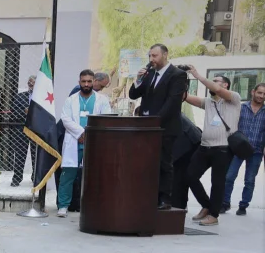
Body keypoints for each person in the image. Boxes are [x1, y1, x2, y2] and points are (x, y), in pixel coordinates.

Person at [128, 44, 189, 208]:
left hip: (165, 128)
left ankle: (164, 198)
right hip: (147, 128)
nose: (151, 59)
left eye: (154, 56)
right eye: (150, 56)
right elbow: (133, 95)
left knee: (164, 163)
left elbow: (172, 103)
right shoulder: (149, 74)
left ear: (165, 55)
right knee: (146, 162)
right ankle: (148, 195)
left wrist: (155, 122)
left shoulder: (177, 74)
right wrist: (138, 79)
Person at [182, 66, 241, 226]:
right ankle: (207, 205)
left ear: (225, 85)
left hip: (223, 149)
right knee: (190, 176)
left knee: (217, 183)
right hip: (204, 147)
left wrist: (198, 75)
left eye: (216, 80)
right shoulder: (208, 102)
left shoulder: (234, 98)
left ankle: (214, 215)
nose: (213, 83)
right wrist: (179, 78)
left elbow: (217, 89)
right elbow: (185, 97)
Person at [57, 69, 114, 217]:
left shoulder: (102, 99)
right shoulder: (71, 100)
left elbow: (106, 118)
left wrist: (88, 134)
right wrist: (80, 133)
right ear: (79, 82)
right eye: (84, 81)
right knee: (68, 175)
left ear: (93, 81)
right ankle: (63, 205)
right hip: (74, 141)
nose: (86, 84)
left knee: (93, 175)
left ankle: (93, 206)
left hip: (93, 142)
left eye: (89, 81)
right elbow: (65, 119)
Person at [222, 82, 265, 215]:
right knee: (229, 177)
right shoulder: (241, 107)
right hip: (238, 149)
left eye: (264, 94)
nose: (261, 96)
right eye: (259, 92)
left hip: (256, 150)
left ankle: (243, 206)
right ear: (253, 92)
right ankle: (225, 203)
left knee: (250, 180)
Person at [8, 76, 36, 185]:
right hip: (21, 129)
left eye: (33, 83)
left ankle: (35, 178)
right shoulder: (20, 96)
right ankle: (17, 178)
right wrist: (25, 111)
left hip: (35, 130)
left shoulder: (41, 98)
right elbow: (14, 112)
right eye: (29, 83)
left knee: (35, 154)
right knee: (20, 154)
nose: (30, 85)